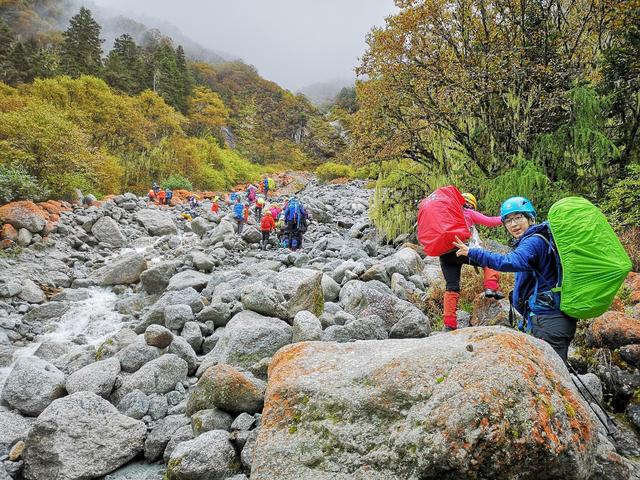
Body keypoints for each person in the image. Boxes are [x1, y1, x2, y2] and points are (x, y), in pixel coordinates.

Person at [454, 196, 576, 362]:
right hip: (550, 317)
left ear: (530, 218)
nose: (513, 224)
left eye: (518, 217)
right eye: (508, 220)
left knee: (556, 378)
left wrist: (473, 252)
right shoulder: (541, 238)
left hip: (548, 319)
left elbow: (509, 262)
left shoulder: (533, 242)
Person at [438, 192, 504, 331]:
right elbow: (490, 221)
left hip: (445, 254)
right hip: (463, 248)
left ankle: (449, 323)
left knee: (451, 287)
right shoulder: (468, 212)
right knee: (488, 260)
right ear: (472, 205)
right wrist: (508, 217)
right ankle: (491, 287)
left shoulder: (446, 214)